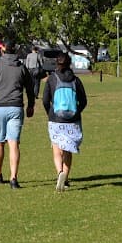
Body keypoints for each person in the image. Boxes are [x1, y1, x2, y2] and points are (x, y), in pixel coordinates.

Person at [0, 46, 36, 188]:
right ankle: (13, 178)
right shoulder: (21, 67)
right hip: (16, 107)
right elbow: (30, 88)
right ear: (16, 51)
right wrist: (31, 105)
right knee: (14, 143)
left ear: (3, 50)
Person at [41, 50, 88, 191]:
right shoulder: (76, 80)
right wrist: (77, 112)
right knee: (68, 150)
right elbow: (84, 101)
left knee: (56, 149)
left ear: (57, 63)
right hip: (72, 120)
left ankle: (59, 172)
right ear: (70, 64)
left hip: (55, 119)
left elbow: (45, 100)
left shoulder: (52, 79)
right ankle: (65, 179)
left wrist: (49, 113)